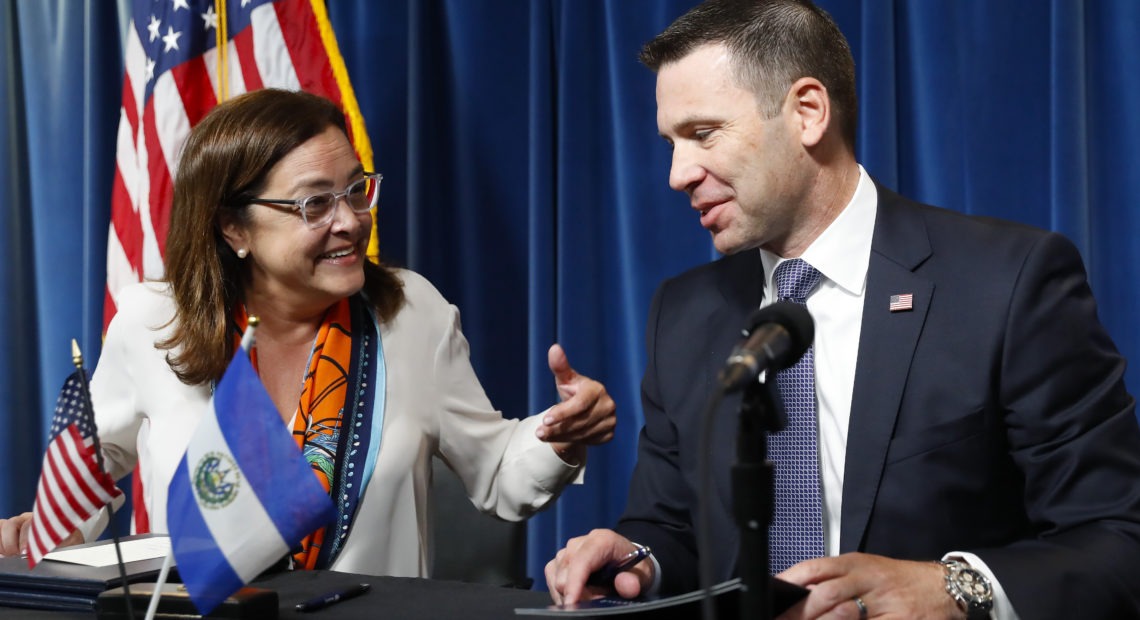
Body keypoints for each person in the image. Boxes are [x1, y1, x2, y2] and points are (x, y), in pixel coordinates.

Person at [544, 1, 1140, 618]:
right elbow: (676, 529)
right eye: (670, 143)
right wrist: (639, 557)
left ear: (808, 112)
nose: (677, 174)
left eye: (702, 134)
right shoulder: (684, 312)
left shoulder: (1008, 283)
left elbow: (1117, 540)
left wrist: (955, 589)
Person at [0, 88, 616, 577]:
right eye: (313, 205)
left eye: (355, 190)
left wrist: (559, 438)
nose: (350, 221)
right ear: (233, 230)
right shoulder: (149, 323)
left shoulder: (414, 313)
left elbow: (499, 474)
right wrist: (36, 528)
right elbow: (93, 466)